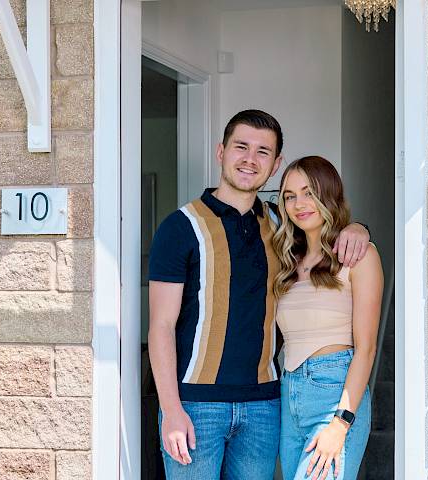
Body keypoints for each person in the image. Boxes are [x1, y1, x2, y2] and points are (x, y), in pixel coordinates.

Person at [148, 110, 371, 479]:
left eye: (263, 151)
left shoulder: (283, 226)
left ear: (276, 163)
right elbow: (160, 326)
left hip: (265, 407)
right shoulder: (180, 227)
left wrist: (360, 228)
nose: (250, 159)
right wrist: (171, 409)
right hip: (195, 406)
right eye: (241, 147)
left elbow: (327, 229)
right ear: (221, 152)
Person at [273, 156, 383, 480]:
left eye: (308, 192)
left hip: (334, 394)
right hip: (288, 394)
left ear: (328, 195)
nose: (298, 204)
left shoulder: (358, 255)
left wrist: (341, 423)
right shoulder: (286, 261)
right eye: (290, 195)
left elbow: (367, 349)